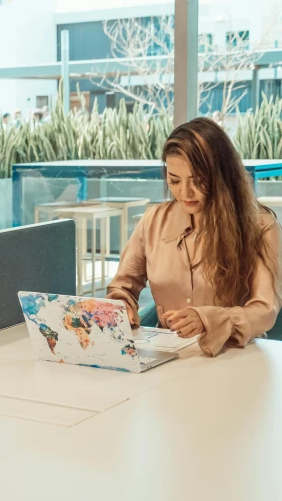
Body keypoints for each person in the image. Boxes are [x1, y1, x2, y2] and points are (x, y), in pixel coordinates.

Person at [107, 117, 281, 357]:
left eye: (198, 181)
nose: (185, 193)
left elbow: (265, 309)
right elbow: (122, 286)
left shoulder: (261, 226)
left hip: (235, 355)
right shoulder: (153, 221)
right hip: (169, 355)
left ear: (221, 176)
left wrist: (210, 319)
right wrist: (122, 306)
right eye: (175, 181)